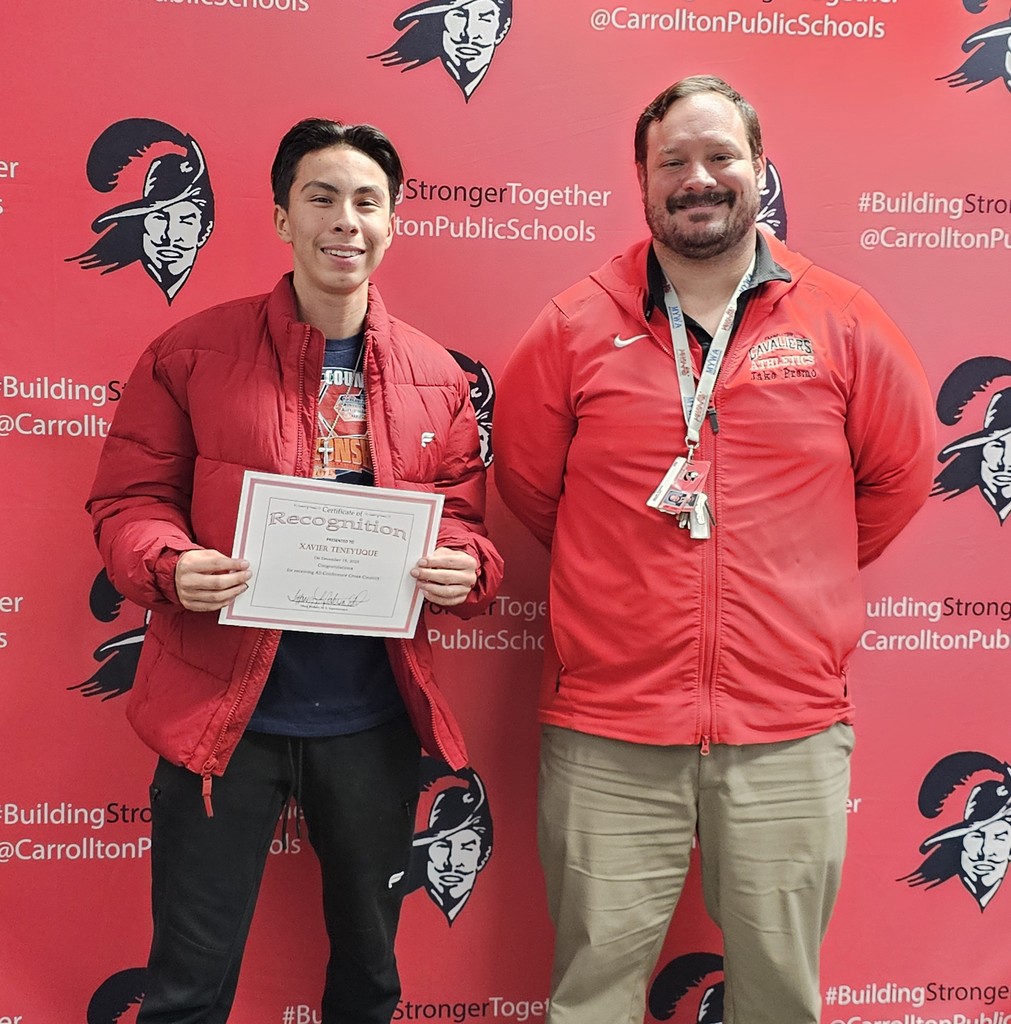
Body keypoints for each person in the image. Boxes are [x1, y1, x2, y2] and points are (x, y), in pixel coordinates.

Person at [494, 75, 935, 1024]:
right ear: (643, 182)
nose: (699, 178)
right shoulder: (575, 324)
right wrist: (622, 588)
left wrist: (792, 576)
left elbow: (899, 477)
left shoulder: (842, 321)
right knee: (591, 1000)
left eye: (720, 156)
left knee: (778, 1001)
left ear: (760, 171)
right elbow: (532, 489)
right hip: (608, 729)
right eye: (673, 163)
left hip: (787, 729)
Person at [87, 118, 503, 1023]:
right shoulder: (191, 352)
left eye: (367, 201)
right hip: (220, 723)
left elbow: (467, 523)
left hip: (371, 720)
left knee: (369, 978)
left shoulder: (438, 377)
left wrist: (461, 567)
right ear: (282, 216)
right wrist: (169, 562)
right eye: (321, 198)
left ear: (393, 223)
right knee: (188, 987)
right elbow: (125, 504)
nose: (344, 220)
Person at [370, 0, 512, 101]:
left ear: (502, 29)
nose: (469, 34)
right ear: (440, 22)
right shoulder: (398, 89)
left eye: (484, 19)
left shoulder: (514, 91)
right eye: (459, 16)